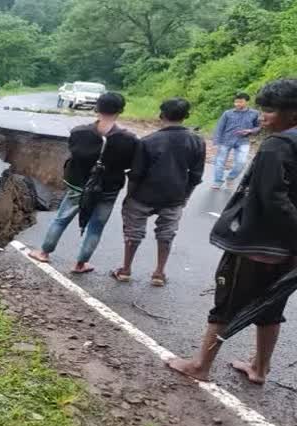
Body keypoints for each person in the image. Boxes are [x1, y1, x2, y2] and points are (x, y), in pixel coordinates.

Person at [169, 79, 297, 384]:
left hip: (256, 246)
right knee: (269, 307)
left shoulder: (277, 146)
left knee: (225, 306)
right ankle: (260, 369)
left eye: (271, 111)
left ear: (292, 113)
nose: (264, 116)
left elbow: (272, 199)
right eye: (263, 109)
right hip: (289, 250)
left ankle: (200, 365)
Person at [28, 93, 138, 273]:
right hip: (108, 189)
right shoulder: (129, 139)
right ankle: (80, 264)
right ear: (121, 110)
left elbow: (74, 154)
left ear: (96, 108)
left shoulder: (79, 132)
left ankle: (44, 253)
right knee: (96, 227)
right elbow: (129, 165)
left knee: (61, 219)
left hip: (78, 185)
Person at [112, 98, 205, 286]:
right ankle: (159, 273)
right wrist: (185, 196)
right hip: (174, 197)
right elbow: (195, 175)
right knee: (166, 234)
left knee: (133, 233)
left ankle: (125, 270)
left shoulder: (148, 141)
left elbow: (136, 174)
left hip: (143, 195)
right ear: (187, 116)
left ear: (161, 115)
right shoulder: (197, 141)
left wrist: (129, 197)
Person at [211, 92, 261, 189]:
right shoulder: (227, 113)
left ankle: (231, 178)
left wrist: (250, 131)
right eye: (236, 102)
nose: (237, 104)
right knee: (220, 161)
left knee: (241, 162)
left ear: (246, 102)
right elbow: (220, 127)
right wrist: (216, 141)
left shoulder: (254, 113)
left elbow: (259, 127)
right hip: (226, 140)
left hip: (243, 141)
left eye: (240, 102)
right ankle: (217, 181)